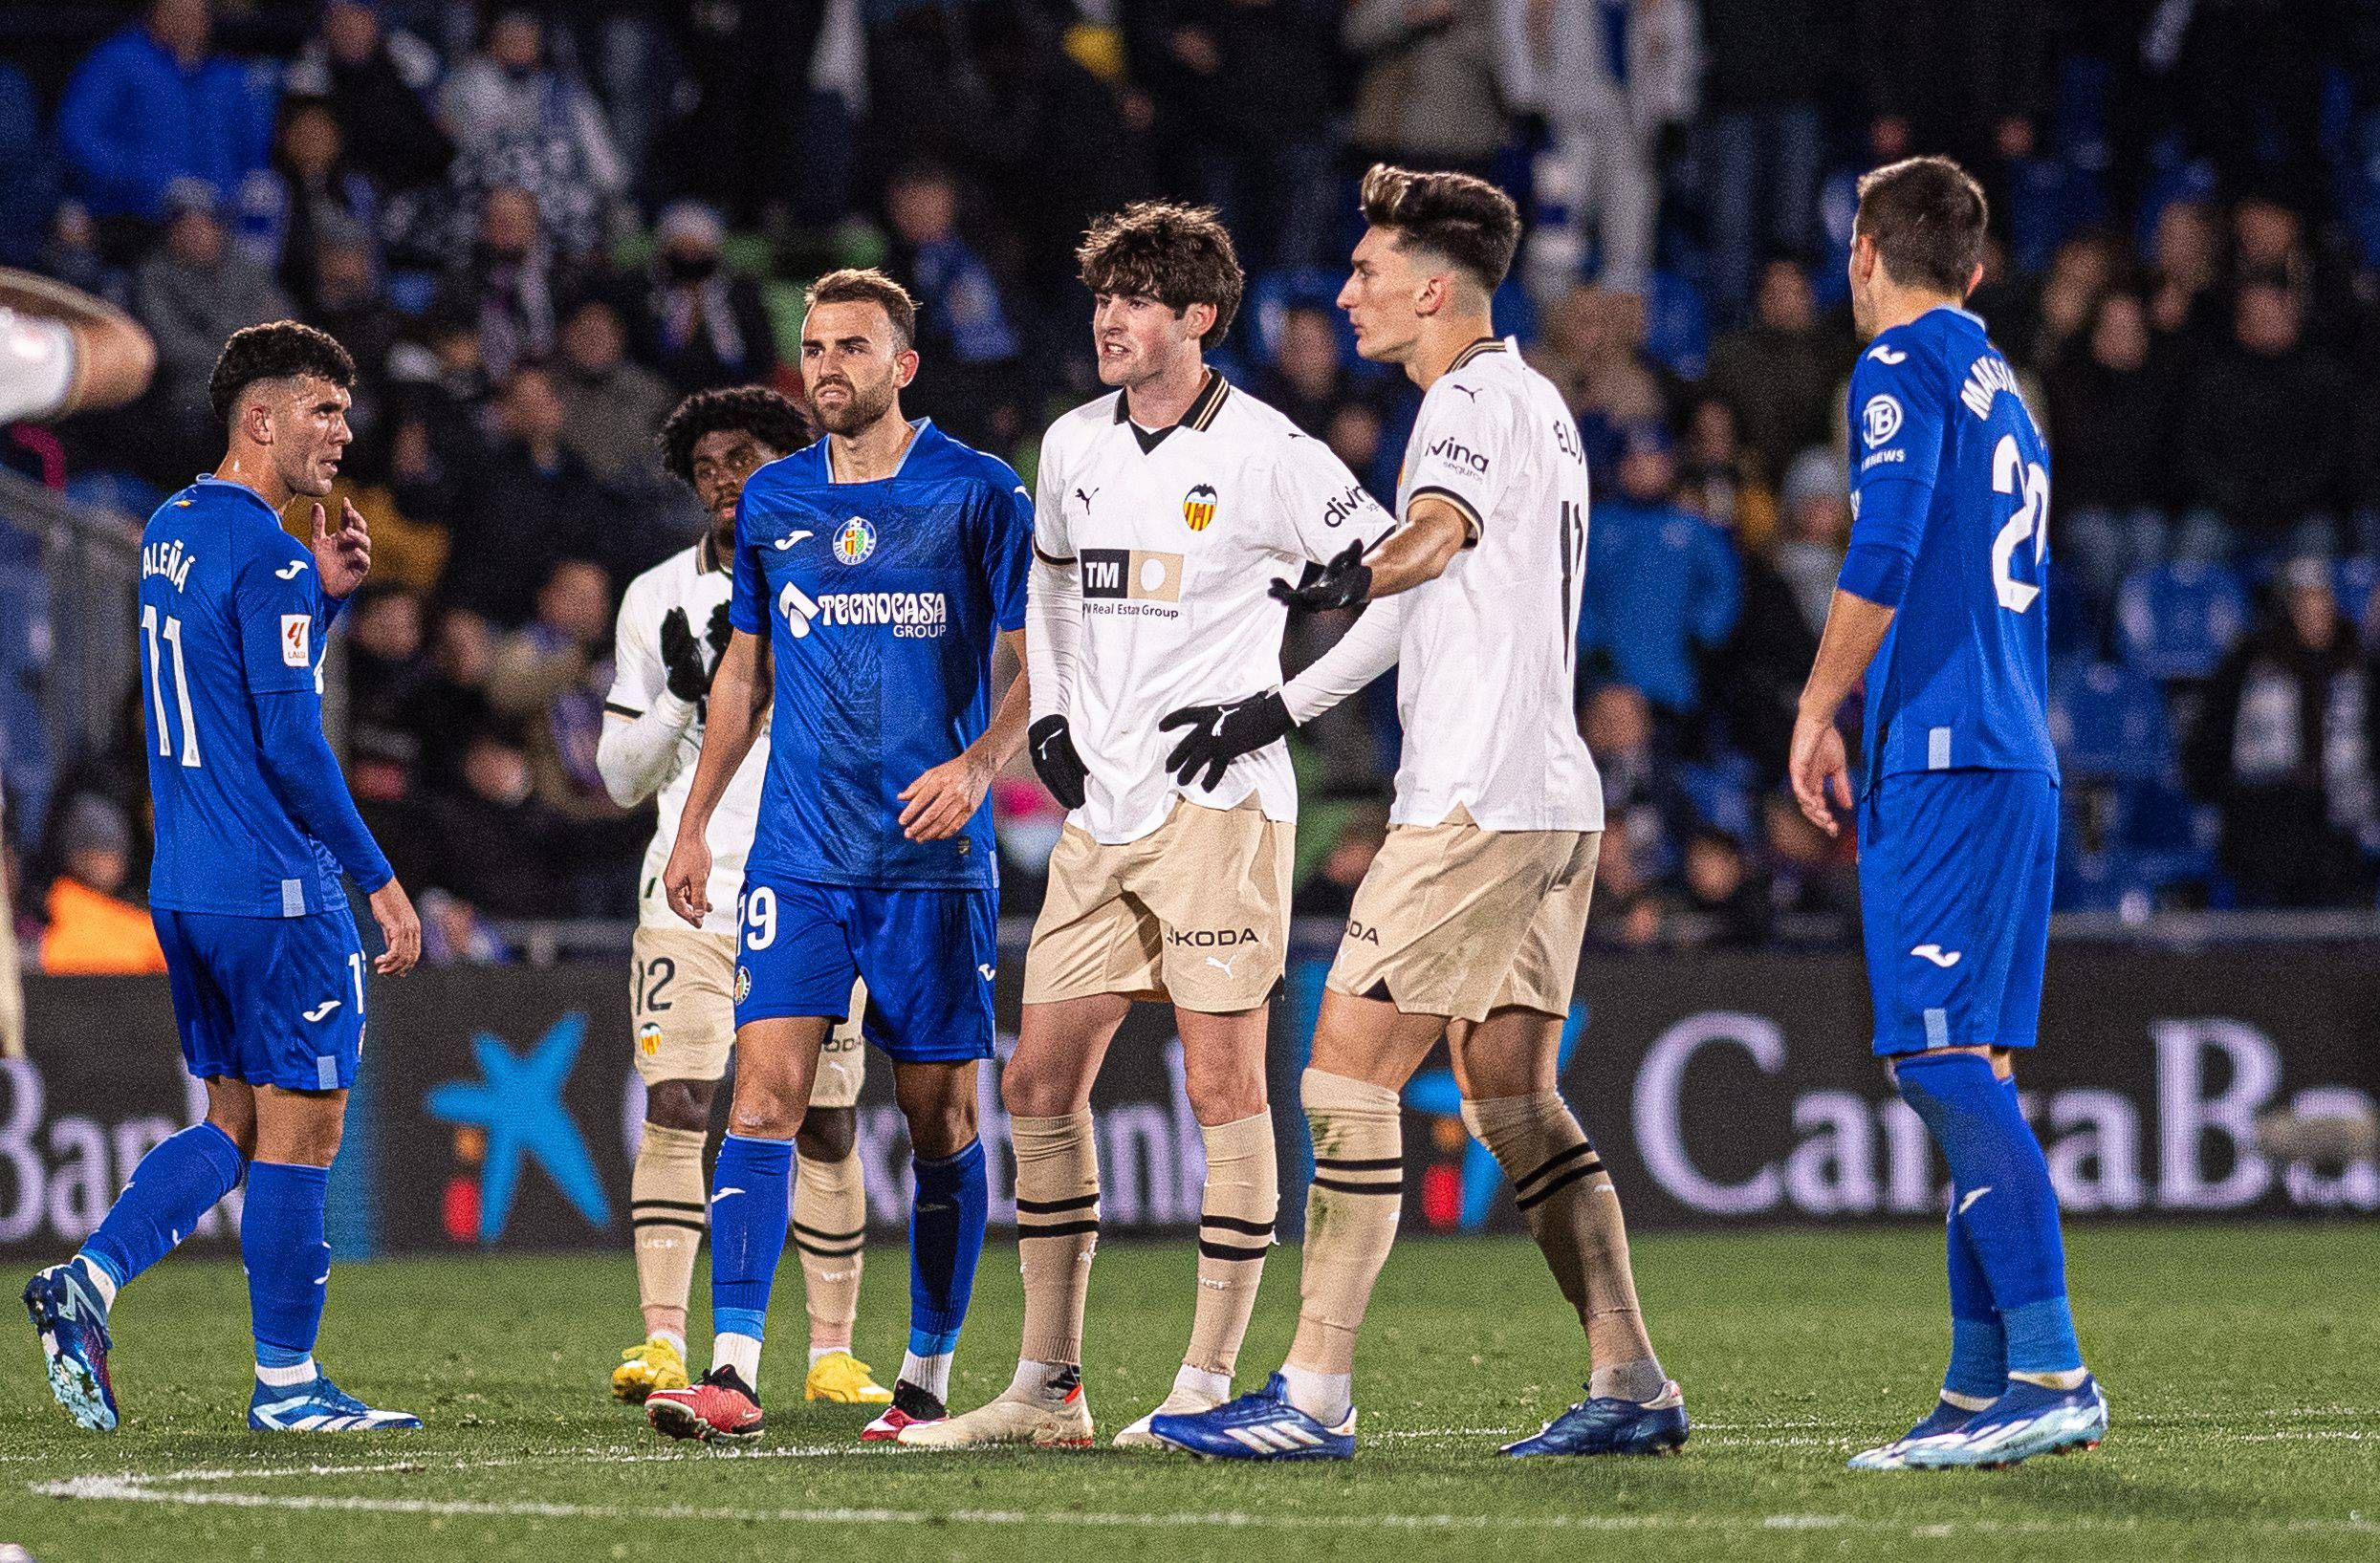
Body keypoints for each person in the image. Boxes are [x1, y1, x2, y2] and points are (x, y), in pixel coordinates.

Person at [1147, 165, 1682, 1462]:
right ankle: (1631, 1376)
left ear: (1432, 290)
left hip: (1472, 803)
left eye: (1368, 273)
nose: (1346, 294)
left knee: (1342, 1075)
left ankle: (1313, 1391)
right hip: (1551, 800)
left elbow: (1424, 540)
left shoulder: (1461, 401)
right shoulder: (1532, 405)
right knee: (1510, 1098)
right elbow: (1413, 597)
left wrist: (1324, 569)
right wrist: (1270, 707)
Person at [905, 202, 1390, 1452]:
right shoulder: (1071, 443)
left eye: (1134, 298)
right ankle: (1047, 1385)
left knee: (1220, 1078)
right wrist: (1050, 720)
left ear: (1197, 318)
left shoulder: (1274, 453)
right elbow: (1052, 584)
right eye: (1101, 296)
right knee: (1037, 1076)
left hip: (1218, 808)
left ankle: (1207, 1380)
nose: (1107, 319)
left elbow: (1395, 584)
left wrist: (1272, 708)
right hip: (1099, 807)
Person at [642, 271, 1032, 1445]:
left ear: (902, 365)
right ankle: (732, 1372)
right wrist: (698, 821)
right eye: (811, 345)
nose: (825, 365)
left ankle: (923, 1373)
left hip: (929, 865)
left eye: (851, 346)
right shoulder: (771, 502)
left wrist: (976, 770)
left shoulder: (979, 492)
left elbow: (1033, 662)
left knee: (936, 1123)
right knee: (759, 1096)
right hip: (800, 858)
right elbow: (743, 676)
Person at [23, 320, 425, 1435]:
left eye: (346, 412)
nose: (342, 434)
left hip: (187, 883)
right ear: (260, 418)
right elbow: (292, 744)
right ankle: (290, 1386)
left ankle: (89, 1282)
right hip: (275, 888)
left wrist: (326, 601)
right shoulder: (269, 551)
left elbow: (229, 681)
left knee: (237, 1119)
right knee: (309, 1125)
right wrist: (378, 880)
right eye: (322, 411)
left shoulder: (174, 527)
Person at [1785, 156, 2106, 1470]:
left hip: (1945, 750)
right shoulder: (2006, 390)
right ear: (1974, 269)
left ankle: (2050, 1366)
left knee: (1937, 1060)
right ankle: (1982, 1385)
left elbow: (1887, 542)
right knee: (1971, 1060)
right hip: (2010, 747)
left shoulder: (1898, 368)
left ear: (1865, 251)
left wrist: (1815, 708)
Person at [596, 385, 890, 1410]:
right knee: (679, 1103)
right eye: (709, 464)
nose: (727, 478)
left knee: (826, 1121)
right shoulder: (652, 597)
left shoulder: (841, 572)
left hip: (817, 884)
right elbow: (617, 777)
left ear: (791, 462)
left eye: (748, 457)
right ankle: (664, 1343)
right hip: (689, 893)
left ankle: (832, 1352)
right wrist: (683, 689)